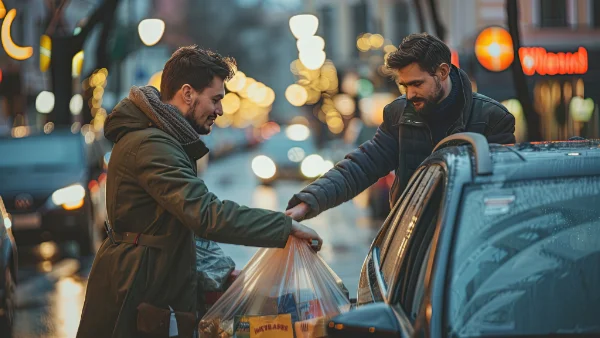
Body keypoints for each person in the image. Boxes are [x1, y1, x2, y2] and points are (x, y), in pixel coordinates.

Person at [76, 46, 322, 338]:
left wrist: (221, 273)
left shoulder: (165, 139)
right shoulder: (152, 146)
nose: (219, 110)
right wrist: (283, 227)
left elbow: (181, 225)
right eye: (215, 99)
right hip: (137, 291)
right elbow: (205, 214)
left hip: (150, 287)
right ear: (188, 93)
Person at [286, 33, 515, 221]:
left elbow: (503, 191)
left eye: (417, 84)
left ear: (443, 72)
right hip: (411, 238)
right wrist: (308, 203)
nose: (410, 94)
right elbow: (362, 165)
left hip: (470, 240)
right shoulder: (398, 113)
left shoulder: (491, 117)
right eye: (405, 85)